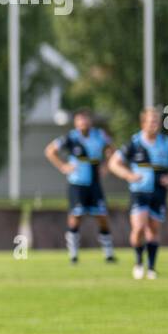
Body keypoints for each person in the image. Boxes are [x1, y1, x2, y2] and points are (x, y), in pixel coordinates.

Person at [107, 107, 168, 279]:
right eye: (151, 121)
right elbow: (114, 163)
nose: (154, 125)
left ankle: (151, 267)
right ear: (143, 123)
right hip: (139, 191)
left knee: (153, 229)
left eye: (157, 122)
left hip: (159, 191)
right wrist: (128, 175)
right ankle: (138, 262)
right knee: (139, 227)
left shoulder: (167, 142)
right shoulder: (134, 143)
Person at [44, 109, 115, 264]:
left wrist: (107, 166)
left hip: (94, 183)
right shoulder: (71, 137)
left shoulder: (99, 135)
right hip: (77, 183)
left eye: (85, 119)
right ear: (76, 122)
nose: (83, 123)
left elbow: (111, 149)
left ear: (90, 121)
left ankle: (108, 254)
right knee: (76, 217)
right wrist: (63, 166)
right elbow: (50, 151)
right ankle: (73, 254)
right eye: (80, 120)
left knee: (102, 216)